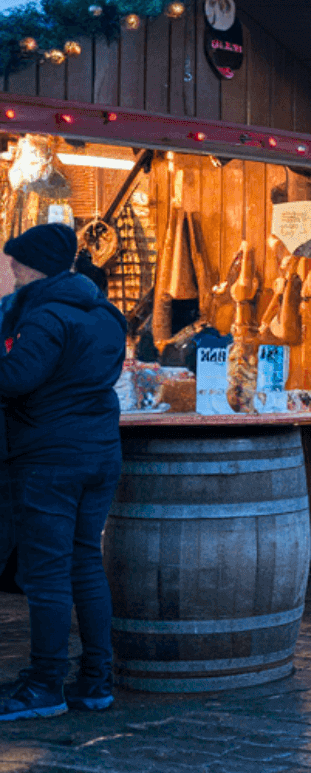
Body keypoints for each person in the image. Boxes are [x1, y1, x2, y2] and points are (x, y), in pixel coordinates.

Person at [0, 224, 123, 719]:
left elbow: (14, 379)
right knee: (84, 563)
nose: (7, 269)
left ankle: (46, 685)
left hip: (50, 459)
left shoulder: (47, 316)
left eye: (11, 262)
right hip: (99, 453)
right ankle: (96, 680)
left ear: (29, 266)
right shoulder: (105, 314)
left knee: (47, 575)